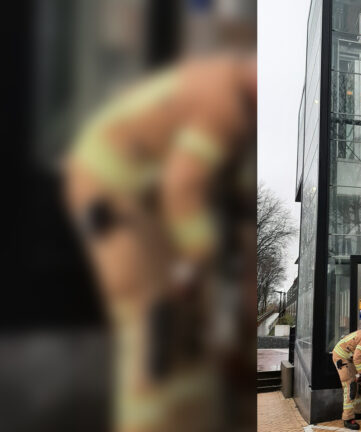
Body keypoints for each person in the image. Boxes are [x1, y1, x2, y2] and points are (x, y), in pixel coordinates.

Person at [64, 52, 257, 432]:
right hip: (112, 192)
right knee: (150, 313)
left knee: (177, 320)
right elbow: (182, 187)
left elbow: (238, 213)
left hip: (140, 192)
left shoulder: (235, 103)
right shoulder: (226, 106)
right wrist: (203, 261)